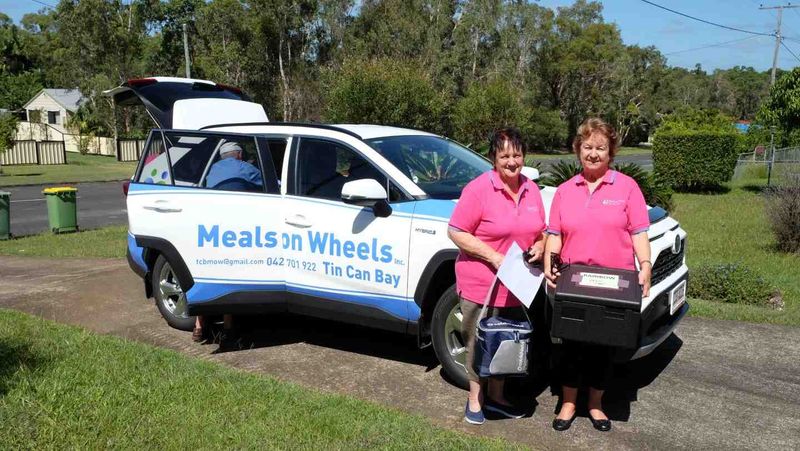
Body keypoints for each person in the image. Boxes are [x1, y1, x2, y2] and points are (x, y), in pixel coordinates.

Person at [544, 117, 651, 432]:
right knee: (571, 347)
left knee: (604, 349)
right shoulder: (564, 191)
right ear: (578, 150)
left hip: (614, 284)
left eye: (600, 148)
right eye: (587, 147)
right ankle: (568, 403)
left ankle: (595, 404)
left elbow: (639, 232)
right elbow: (555, 233)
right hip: (574, 282)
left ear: (611, 152)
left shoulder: (627, 188)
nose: (593, 153)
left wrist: (644, 266)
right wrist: (551, 264)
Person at [447, 127, 547, 425]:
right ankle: (475, 400)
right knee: (479, 343)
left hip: (518, 285)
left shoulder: (531, 190)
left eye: (517, 154)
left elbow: (541, 231)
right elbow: (456, 230)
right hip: (482, 284)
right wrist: (493, 257)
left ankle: (498, 398)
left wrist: (541, 246)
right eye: (505, 155)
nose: (512, 161)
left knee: (506, 342)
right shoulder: (478, 190)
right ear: (494, 157)